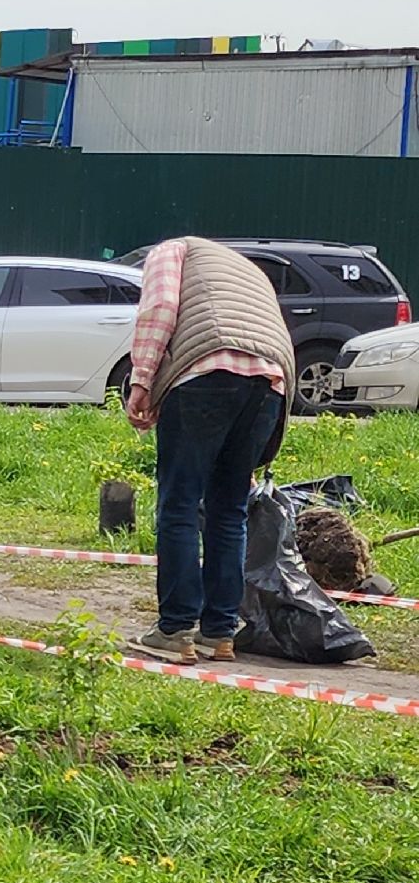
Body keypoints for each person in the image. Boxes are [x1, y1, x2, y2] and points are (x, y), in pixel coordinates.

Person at [123, 238, 293, 664]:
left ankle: (175, 629)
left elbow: (160, 308)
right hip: (270, 383)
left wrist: (142, 379)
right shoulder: (249, 270)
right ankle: (218, 633)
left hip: (206, 373)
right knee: (229, 511)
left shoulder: (172, 250)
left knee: (179, 504)